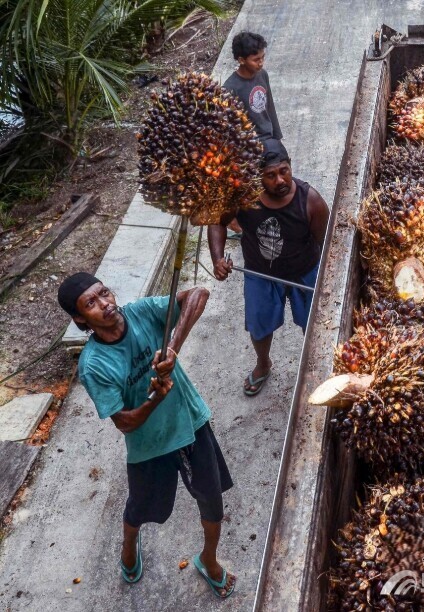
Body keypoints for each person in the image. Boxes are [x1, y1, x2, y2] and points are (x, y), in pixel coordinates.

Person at [57, 273, 237, 599]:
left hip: (190, 422)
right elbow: (124, 423)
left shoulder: (141, 312)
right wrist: (155, 399)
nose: (105, 304)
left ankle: (208, 559)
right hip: (149, 446)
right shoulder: (93, 365)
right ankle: (129, 543)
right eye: (91, 303)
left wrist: (172, 348)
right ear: (80, 319)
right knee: (140, 508)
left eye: (104, 293)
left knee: (212, 502)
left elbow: (198, 293)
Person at [208, 142, 329, 396]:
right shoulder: (243, 198)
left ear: (290, 165)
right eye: (270, 175)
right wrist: (217, 258)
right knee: (259, 325)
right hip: (260, 274)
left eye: (284, 171)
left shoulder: (311, 201)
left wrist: (325, 279)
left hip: (304, 272)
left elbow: (329, 245)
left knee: (314, 325)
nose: (280, 180)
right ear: (257, 177)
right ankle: (263, 364)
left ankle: (314, 367)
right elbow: (217, 222)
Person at [223, 31, 283, 240]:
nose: (261, 63)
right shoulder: (230, 89)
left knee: (274, 185)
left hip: (269, 140)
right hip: (249, 150)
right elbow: (231, 129)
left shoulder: (262, 75)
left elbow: (269, 107)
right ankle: (246, 229)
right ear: (241, 60)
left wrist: (277, 138)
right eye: (256, 59)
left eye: (262, 57)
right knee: (252, 192)